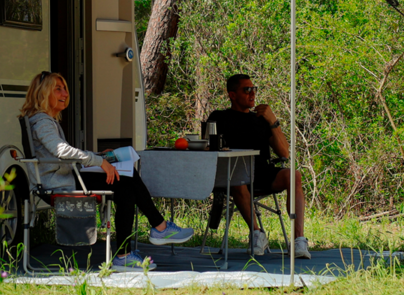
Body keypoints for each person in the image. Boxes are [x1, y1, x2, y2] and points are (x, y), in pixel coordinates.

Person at [20, 71, 194, 270]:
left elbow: (62, 153)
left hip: (64, 177)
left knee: (126, 181)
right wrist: (99, 161)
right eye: (58, 89)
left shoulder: (44, 120)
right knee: (125, 185)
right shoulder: (42, 121)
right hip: (59, 182)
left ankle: (143, 240)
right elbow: (61, 151)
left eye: (65, 89)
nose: (65, 93)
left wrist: (101, 156)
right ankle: (148, 236)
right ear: (43, 93)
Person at [205, 73, 311, 260]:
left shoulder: (260, 119)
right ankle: (256, 234)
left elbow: (284, 153)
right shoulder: (220, 117)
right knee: (236, 177)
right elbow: (208, 145)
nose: (252, 94)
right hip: (233, 176)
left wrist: (273, 121)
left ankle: (299, 240)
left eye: (254, 89)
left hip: (263, 173)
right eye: (247, 90)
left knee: (293, 175)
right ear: (232, 95)